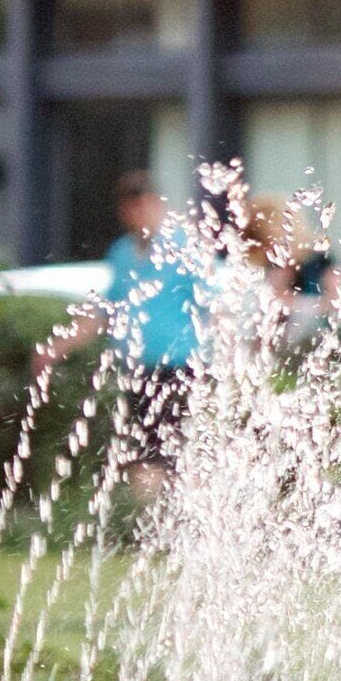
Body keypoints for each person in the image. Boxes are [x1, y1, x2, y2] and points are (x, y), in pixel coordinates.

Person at [97, 173, 204, 493]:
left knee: (179, 454)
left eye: (144, 206)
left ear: (158, 205)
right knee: (142, 454)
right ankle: (148, 530)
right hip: (140, 367)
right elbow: (107, 309)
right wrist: (57, 347)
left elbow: (214, 303)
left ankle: (185, 527)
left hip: (182, 365)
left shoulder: (184, 248)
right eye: (131, 209)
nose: (138, 216)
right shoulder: (122, 253)